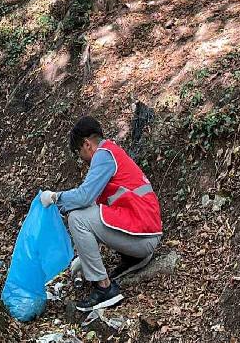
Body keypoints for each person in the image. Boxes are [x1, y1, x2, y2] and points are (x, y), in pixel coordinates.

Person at [40, 117, 162, 312]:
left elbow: (84, 197)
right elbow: (95, 212)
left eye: (79, 152)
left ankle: (105, 289)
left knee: (77, 218)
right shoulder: (112, 153)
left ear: (87, 144)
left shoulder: (103, 155)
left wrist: (55, 197)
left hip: (144, 237)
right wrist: (85, 257)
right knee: (83, 215)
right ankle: (132, 258)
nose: (82, 159)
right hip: (145, 233)